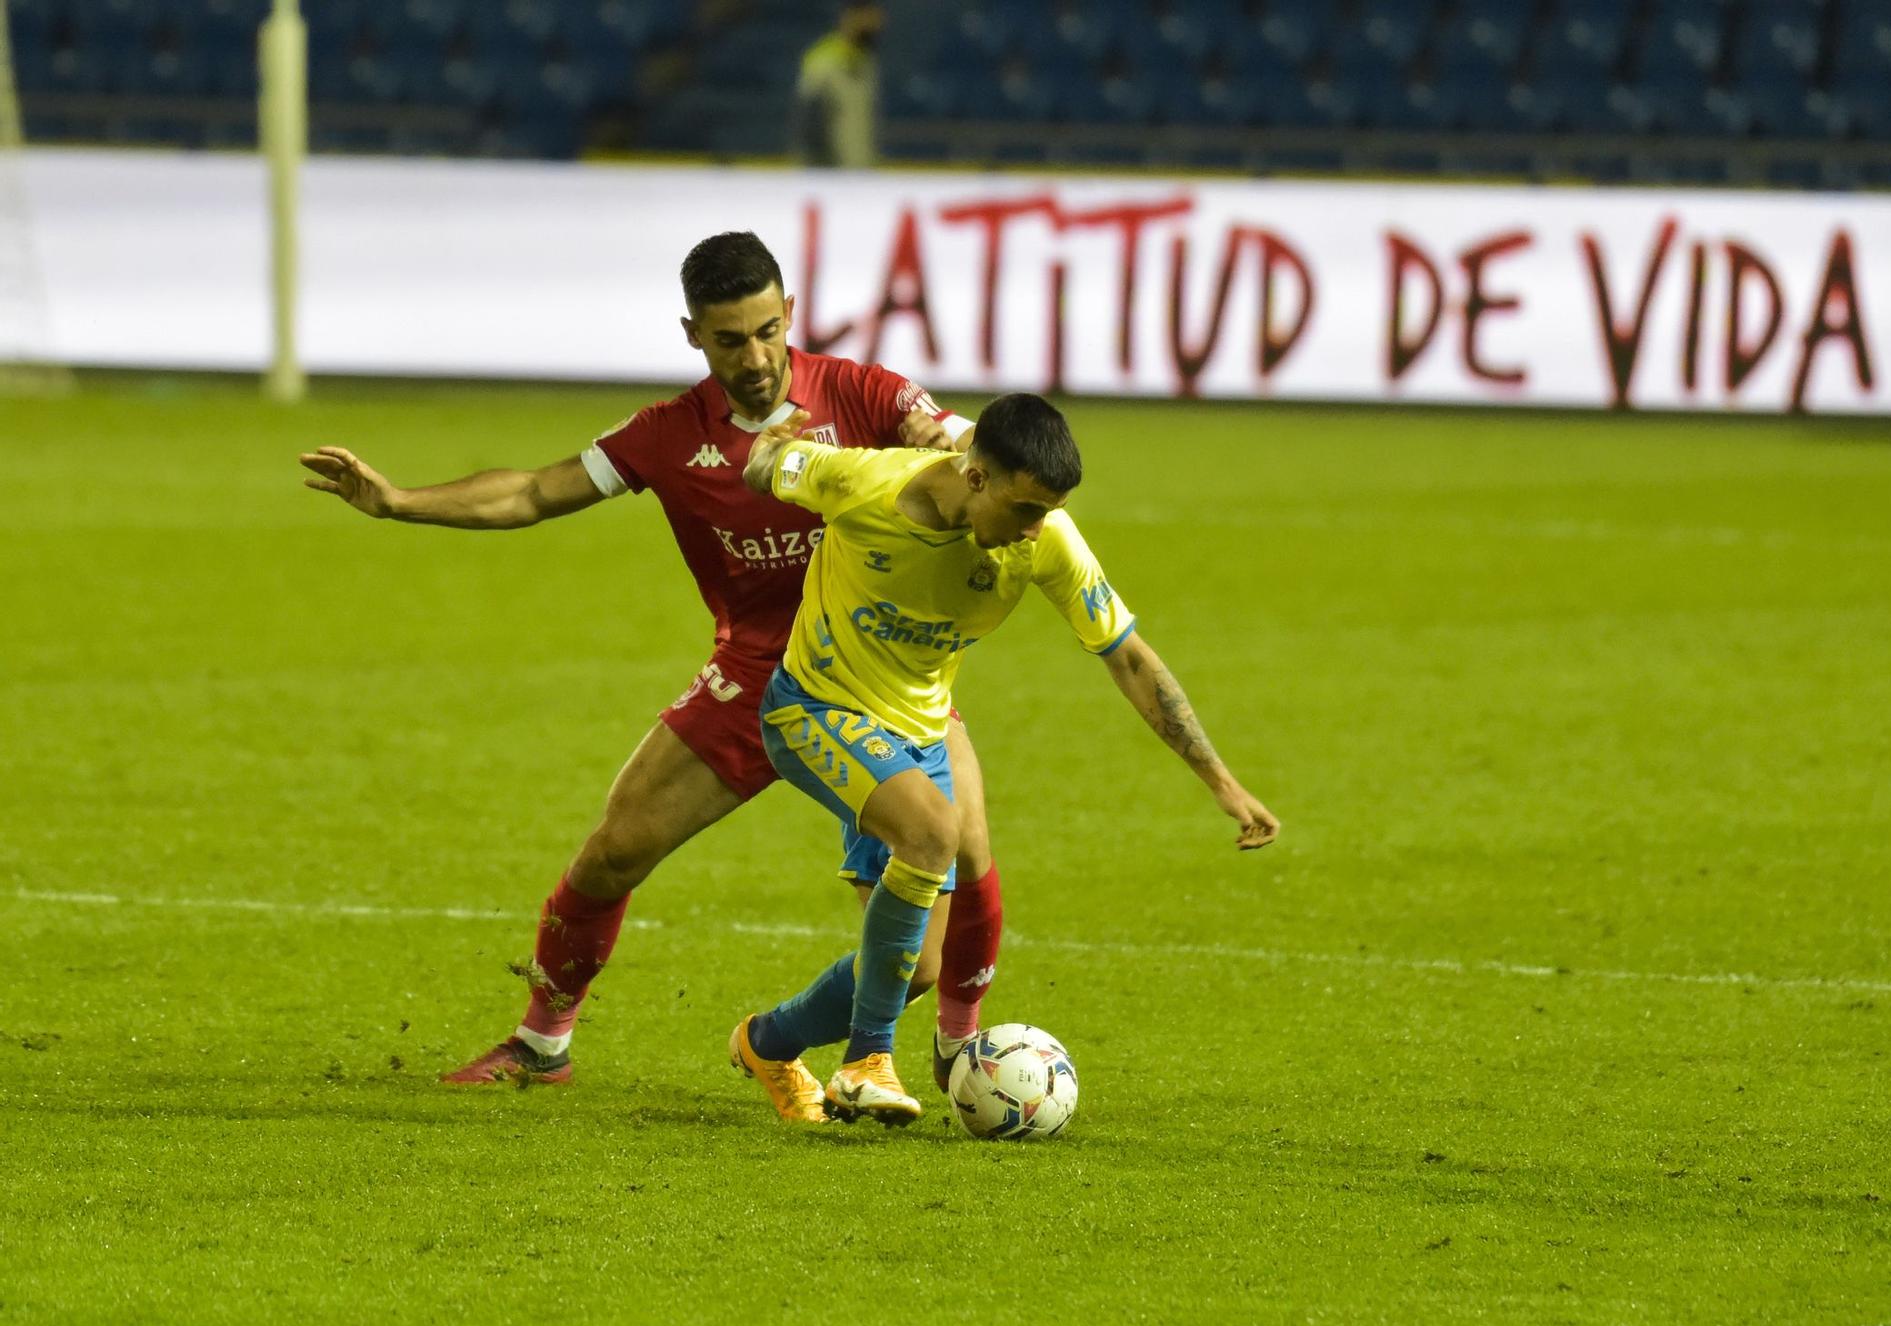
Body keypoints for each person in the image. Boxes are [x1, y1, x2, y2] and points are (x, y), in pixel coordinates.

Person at [298, 232, 1007, 1115]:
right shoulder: (669, 436)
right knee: (614, 849)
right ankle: (540, 1042)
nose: (754, 358)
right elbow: (535, 491)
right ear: (692, 337)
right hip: (754, 680)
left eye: (768, 330)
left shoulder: (865, 395)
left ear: (790, 316)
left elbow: (971, 448)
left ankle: (958, 1036)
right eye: (728, 339)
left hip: (881, 681)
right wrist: (400, 501)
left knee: (957, 867)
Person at [733, 393, 1280, 1125]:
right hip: (814, 707)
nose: (1034, 528)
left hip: (918, 727)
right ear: (976, 474)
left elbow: (1128, 657)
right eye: (1025, 508)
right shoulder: (861, 481)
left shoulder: (1044, 538)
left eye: (1046, 512)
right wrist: (770, 442)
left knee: (916, 968)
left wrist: (1222, 781)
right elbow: (767, 467)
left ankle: (768, 1041)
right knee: (934, 832)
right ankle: (868, 1059)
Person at [792, 1, 883, 168]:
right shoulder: (825, 60)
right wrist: (819, 173)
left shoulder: (865, 60)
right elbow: (809, 122)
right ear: (850, 17)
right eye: (869, 16)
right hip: (832, 177)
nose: (877, 24)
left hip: (859, 172)